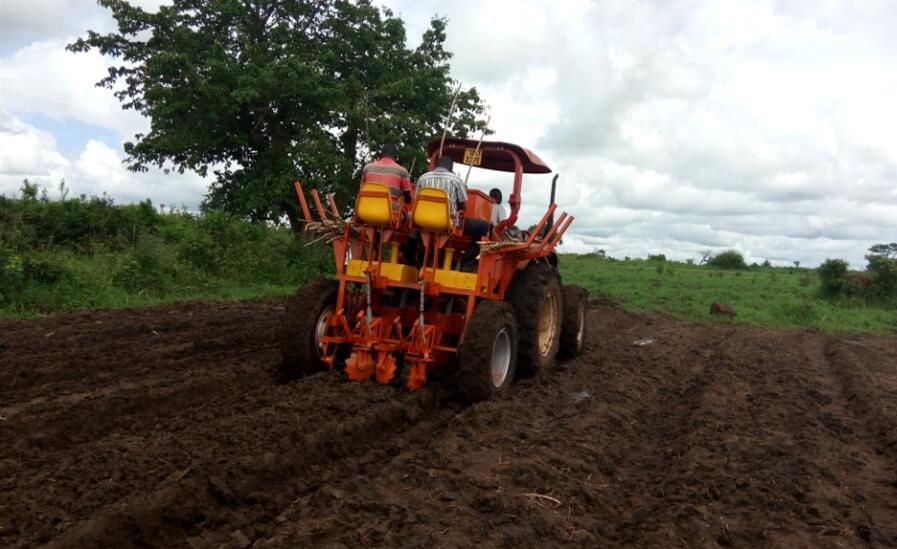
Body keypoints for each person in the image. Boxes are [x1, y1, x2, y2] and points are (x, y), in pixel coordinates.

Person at [416, 155, 489, 270]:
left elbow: (417, 200)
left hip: (422, 221)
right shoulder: (456, 180)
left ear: (436, 165)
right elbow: (463, 207)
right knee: (483, 226)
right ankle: (467, 262)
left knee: (412, 227)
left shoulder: (422, 178)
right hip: (448, 223)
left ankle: (416, 257)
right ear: (451, 168)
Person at [360, 143, 412, 209]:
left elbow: (362, 190)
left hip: (365, 209)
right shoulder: (402, 171)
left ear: (381, 155)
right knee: (409, 217)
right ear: (395, 156)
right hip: (389, 212)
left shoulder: (367, 168)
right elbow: (408, 200)